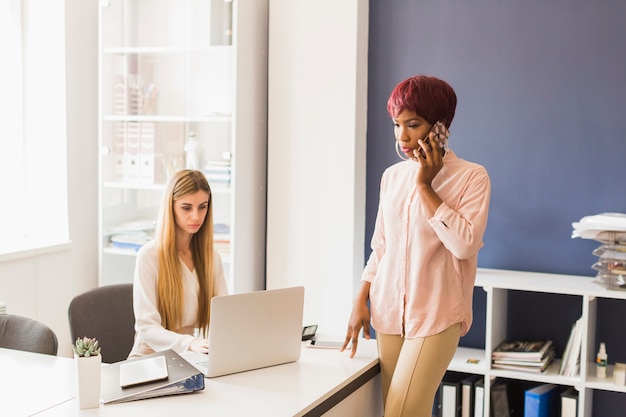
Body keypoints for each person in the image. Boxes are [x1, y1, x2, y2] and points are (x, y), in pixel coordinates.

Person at [341, 75, 491, 417]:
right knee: (402, 411)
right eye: (397, 125)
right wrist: (361, 297)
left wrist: (426, 186)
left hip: (438, 314)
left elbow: (465, 245)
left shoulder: (472, 177)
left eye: (413, 124)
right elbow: (381, 246)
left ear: (440, 126)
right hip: (388, 313)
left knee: (401, 413)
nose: (402, 136)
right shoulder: (391, 177)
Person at [128, 169, 228, 358]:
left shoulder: (212, 258)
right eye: (186, 207)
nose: (196, 217)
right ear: (170, 207)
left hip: (191, 355)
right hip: (150, 355)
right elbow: (147, 327)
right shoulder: (149, 256)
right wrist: (190, 342)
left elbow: (224, 316)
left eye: (202, 207)